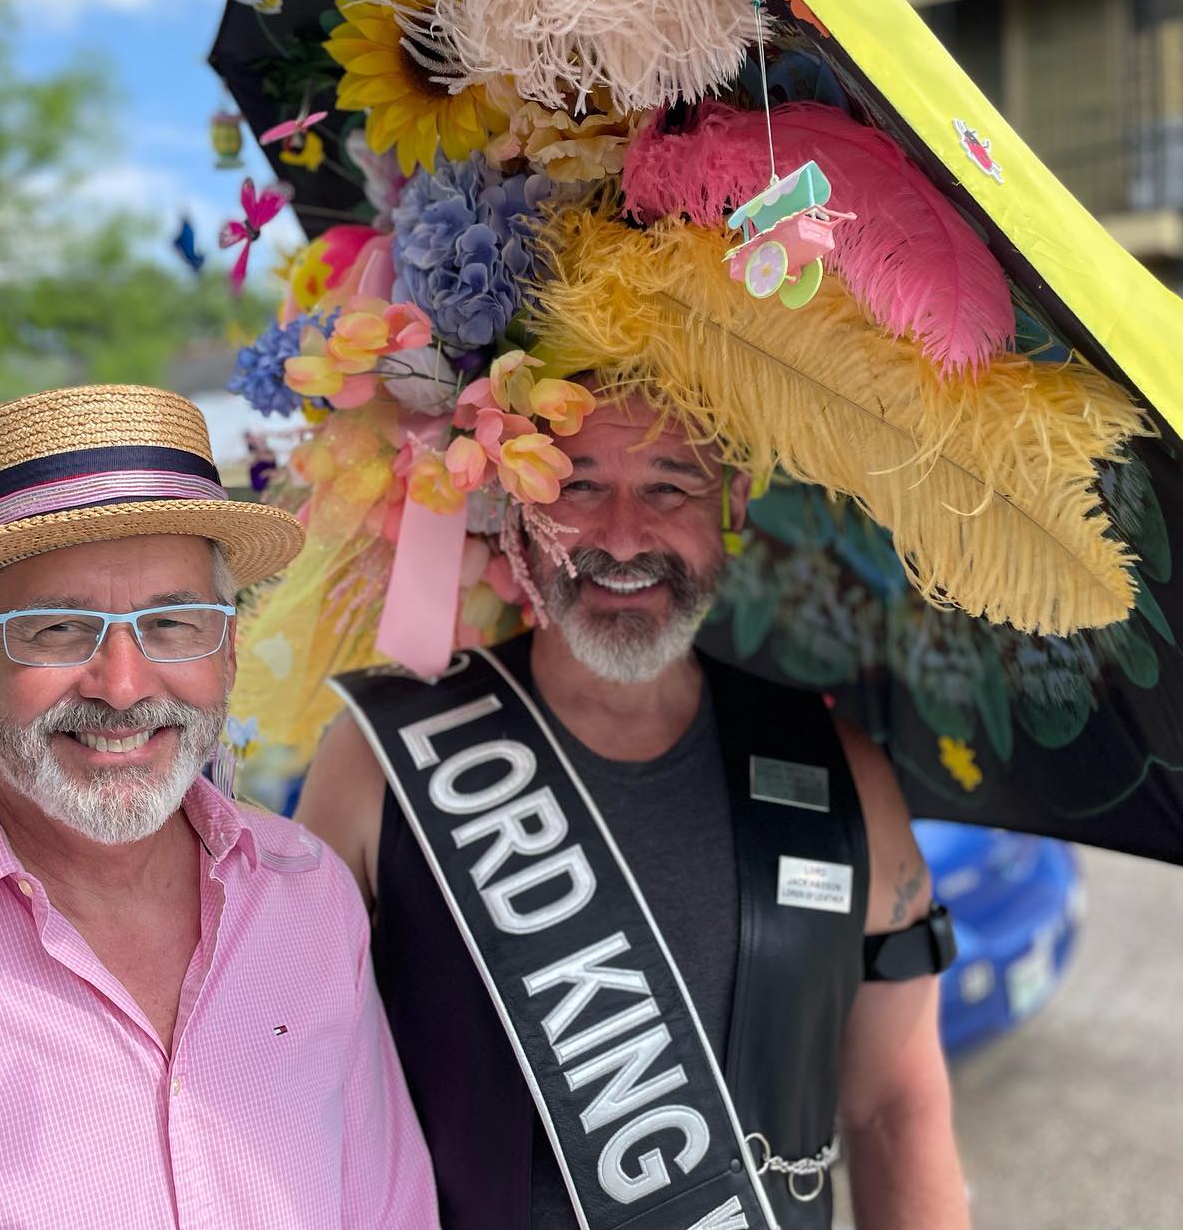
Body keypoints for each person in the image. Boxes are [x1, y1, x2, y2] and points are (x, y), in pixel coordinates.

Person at [0, 383, 438, 1229]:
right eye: (57, 628)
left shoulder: (310, 897)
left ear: (226, 644)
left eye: (174, 622)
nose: (123, 686)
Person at [298, 393, 971, 1230]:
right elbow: (296, 1101)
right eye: (578, 488)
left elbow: (896, 1110)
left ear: (732, 503)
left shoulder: (843, 775)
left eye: (669, 487)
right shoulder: (381, 759)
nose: (622, 537)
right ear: (515, 508)